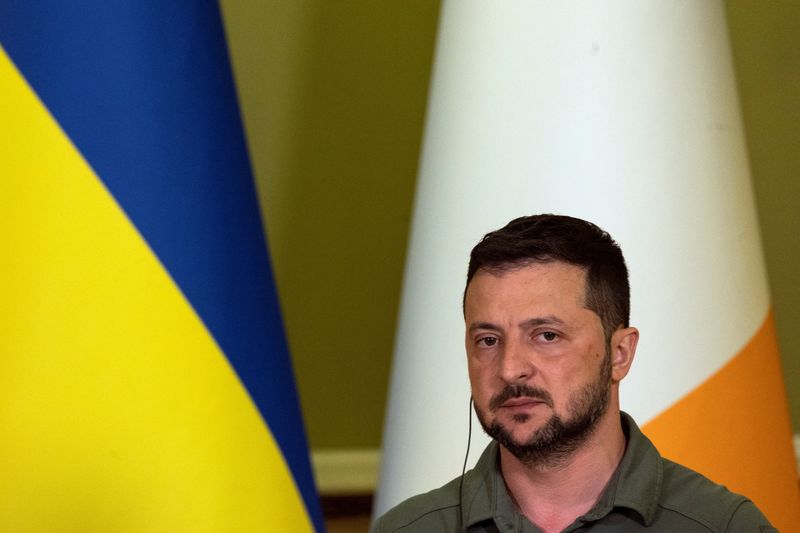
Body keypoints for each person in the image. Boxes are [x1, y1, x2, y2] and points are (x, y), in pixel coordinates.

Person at [371, 215, 775, 532]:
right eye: (488, 340)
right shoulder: (409, 528)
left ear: (619, 353)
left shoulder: (723, 525)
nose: (511, 369)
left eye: (546, 335)